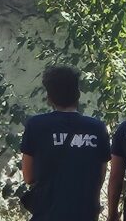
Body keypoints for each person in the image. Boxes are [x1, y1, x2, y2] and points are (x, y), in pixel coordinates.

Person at [20, 66, 111, 221]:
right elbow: (99, 177)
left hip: (47, 214)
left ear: (49, 97)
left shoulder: (36, 125)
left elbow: (28, 177)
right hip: (85, 214)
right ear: (78, 94)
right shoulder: (97, 128)